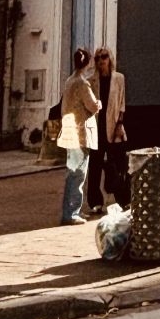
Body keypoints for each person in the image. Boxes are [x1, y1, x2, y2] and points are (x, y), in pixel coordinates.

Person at [58, 47, 100, 224]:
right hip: (80, 133)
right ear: (88, 63)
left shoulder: (69, 81)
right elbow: (92, 106)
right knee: (78, 174)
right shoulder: (82, 83)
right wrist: (99, 104)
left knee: (72, 173)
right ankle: (71, 213)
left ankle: (72, 210)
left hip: (70, 131)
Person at [86, 46, 128, 214]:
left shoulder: (119, 78)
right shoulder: (91, 81)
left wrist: (120, 124)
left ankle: (123, 200)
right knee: (95, 166)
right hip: (96, 129)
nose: (101, 61)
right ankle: (95, 202)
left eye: (104, 57)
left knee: (117, 166)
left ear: (110, 58)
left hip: (114, 127)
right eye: (97, 58)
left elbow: (122, 103)